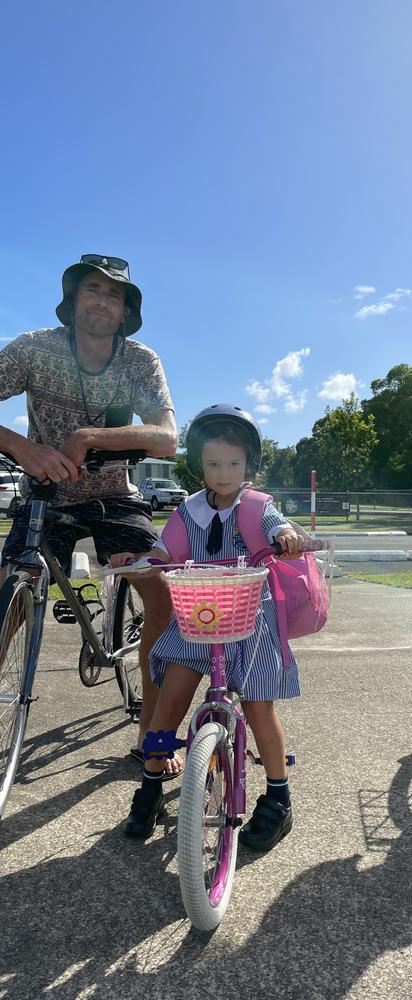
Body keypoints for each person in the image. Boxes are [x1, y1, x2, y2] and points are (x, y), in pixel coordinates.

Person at [0, 254, 179, 773]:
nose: (102, 301)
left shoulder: (139, 360)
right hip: (45, 493)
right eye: (92, 290)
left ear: (126, 310)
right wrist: (21, 448)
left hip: (114, 496)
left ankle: (153, 727)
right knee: (7, 595)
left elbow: (167, 436)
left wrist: (88, 437)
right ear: (72, 300)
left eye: (114, 294)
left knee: (160, 594)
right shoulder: (37, 348)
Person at [111, 404, 309, 845]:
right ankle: (150, 782)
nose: (223, 473)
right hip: (198, 618)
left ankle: (278, 798)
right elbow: (163, 554)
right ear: (198, 465)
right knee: (172, 695)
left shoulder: (258, 506)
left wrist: (287, 537)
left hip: (250, 621)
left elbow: (279, 527)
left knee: (259, 705)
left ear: (248, 466)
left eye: (233, 464)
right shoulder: (187, 513)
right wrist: (138, 564)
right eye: (213, 463)